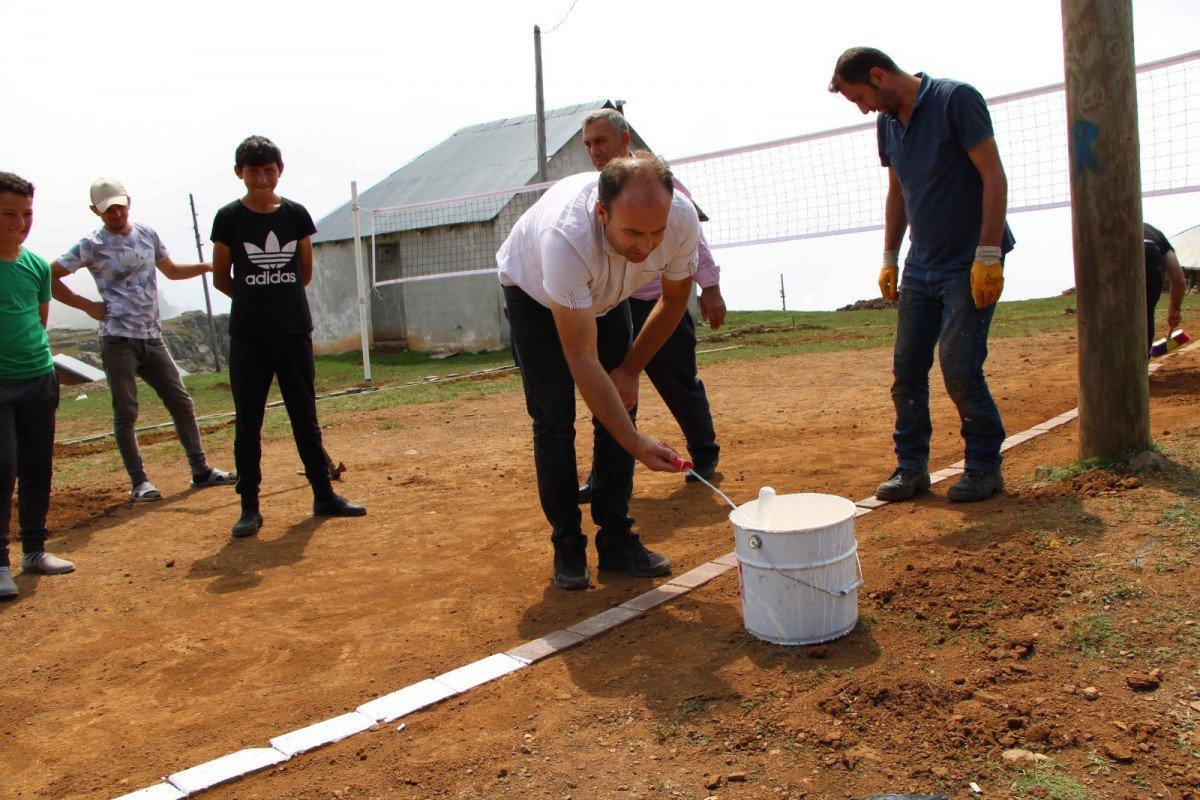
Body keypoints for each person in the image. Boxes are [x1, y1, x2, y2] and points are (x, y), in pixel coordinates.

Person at [497, 151, 699, 590]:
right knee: (554, 417)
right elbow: (582, 358)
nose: (647, 245)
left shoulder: (681, 220)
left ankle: (616, 539)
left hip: (606, 296)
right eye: (634, 232)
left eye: (657, 231)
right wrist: (636, 444)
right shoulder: (567, 238)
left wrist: (630, 369)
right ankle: (568, 541)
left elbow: (673, 302)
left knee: (621, 402)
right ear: (602, 213)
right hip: (534, 294)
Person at [829, 47, 1016, 503]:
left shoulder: (956, 100)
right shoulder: (887, 123)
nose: (863, 109)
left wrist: (988, 255)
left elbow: (994, 176)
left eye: (860, 97)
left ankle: (984, 466)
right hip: (921, 264)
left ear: (878, 75)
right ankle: (911, 468)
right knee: (907, 368)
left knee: (959, 366)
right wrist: (890, 256)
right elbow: (897, 192)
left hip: (969, 261)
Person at [211, 136, 365, 538]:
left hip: (294, 331)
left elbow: (304, 273)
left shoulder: (295, 215)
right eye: (253, 171)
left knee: (304, 416)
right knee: (248, 422)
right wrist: (256, 302)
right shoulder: (228, 218)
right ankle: (249, 507)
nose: (262, 179)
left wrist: (278, 302)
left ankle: (323, 495)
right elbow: (221, 278)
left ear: (280, 170)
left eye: (269, 170)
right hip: (249, 336)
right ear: (239, 173)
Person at [51, 178, 237, 502]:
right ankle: (140, 482)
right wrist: (86, 305)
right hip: (117, 339)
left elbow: (172, 270)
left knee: (181, 402)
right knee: (126, 412)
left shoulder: (147, 234)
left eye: (120, 206)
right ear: (96, 210)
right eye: (108, 209)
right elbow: (49, 275)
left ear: (129, 202)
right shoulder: (91, 244)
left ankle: (201, 470)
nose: (116, 214)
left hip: (152, 337)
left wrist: (208, 266)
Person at [576, 108, 724, 505]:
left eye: (601, 141)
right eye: (588, 144)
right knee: (613, 384)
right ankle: (604, 474)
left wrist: (710, 287)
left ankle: (704, 451)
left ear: (624, 140)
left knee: (677, 377)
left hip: (661, 299)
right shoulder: (595, 193)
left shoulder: (658, 182)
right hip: (615, 302)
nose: (594, 150)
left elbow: (692, 238)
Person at [0, 173, 75, 599]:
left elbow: (39, 320)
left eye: (26, 213)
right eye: (8, 214)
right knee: (3, 468)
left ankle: (34, 550)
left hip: (39, 379)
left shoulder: (36, 266)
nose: (20, 223)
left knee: (37, 467)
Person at [1143, 222, 1187, 352]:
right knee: (1146, 312)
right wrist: (1174, 309)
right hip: (1150, 251)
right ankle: (1142, 358)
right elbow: (1179, 280)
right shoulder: (1154, 233)